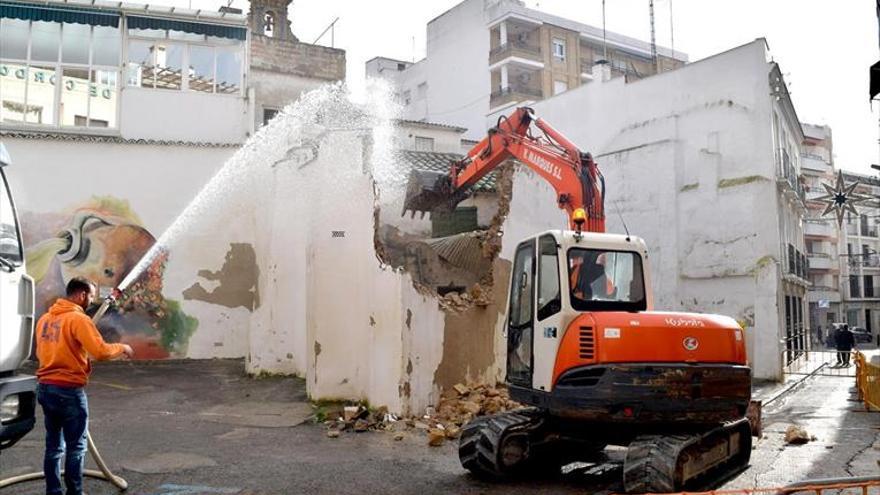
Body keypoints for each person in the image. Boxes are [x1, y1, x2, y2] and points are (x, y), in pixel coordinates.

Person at [35, 277, 133, 495]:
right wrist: (123, 347)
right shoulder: (78, 320)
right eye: (90, 295)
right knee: (76, 448)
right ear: (81, 295)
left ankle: (53, 492)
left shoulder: (46, 319)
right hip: (68, 390)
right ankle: (75, 493)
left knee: (53, 447)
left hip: (45, 388)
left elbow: (47, 351)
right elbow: (100, 351)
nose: (91, 300)